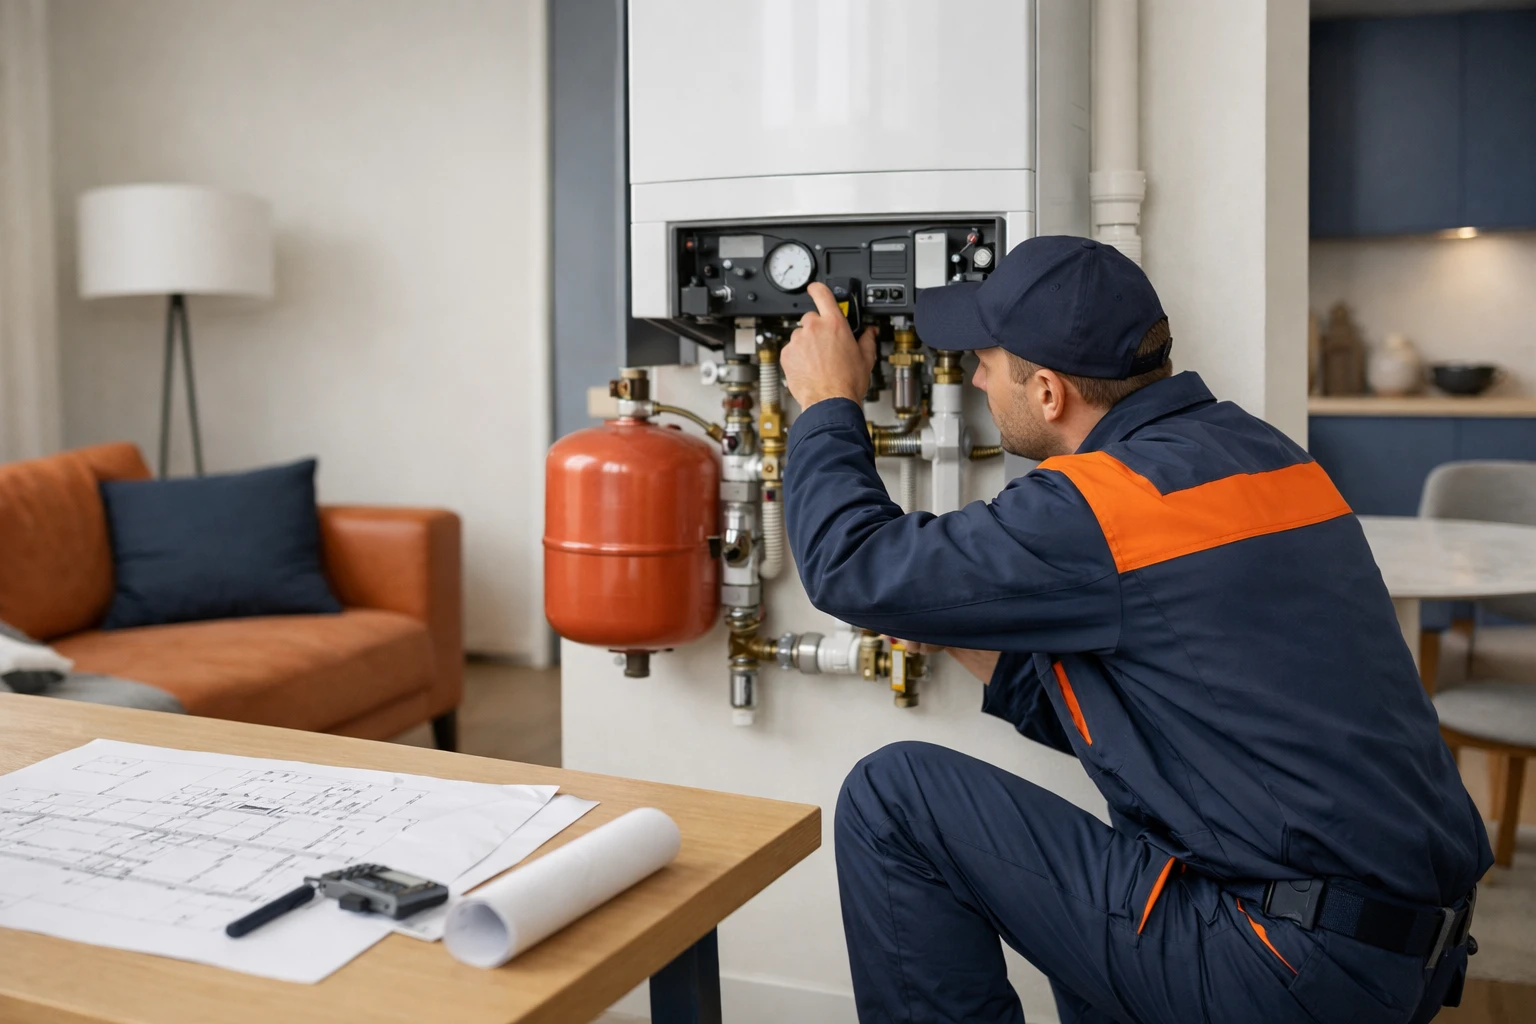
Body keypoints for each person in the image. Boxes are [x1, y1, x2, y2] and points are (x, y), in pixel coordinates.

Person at [777, 236, 1490, 1024]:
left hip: (1288, 964)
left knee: (895, 797)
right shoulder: (1262, 454)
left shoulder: (1097, 505)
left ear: (1048, 392)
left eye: (987, 359)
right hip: (1401, 953)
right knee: (1120, 876)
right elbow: (1163, 729)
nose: (974, 375)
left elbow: (849, 566)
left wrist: (827, 402)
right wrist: (954, 631)